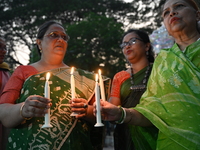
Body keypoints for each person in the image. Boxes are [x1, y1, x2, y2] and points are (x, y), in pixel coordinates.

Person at [94, 0, 200, 149]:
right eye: (166, 13)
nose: (172, 13)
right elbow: (150, 112)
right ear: (165, 26)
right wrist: (118, 113)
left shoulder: (154, 66)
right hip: (167, 143)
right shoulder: (163, 63)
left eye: (179, 6)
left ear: (197, 15)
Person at [0, 20, 110, 150]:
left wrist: (86, 111)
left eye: (64, 37)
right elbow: (4, 113)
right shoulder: (23, 72)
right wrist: (23, 109)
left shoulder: (82, 78)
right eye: (53, 35)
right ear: (39, 42)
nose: (60, 39)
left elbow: (100, 115)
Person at [109, 29, 155, 150]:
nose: (127, 46)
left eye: (133, 41)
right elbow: (113, 108)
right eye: (124, 44)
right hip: (126, 134)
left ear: (147, 46)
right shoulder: (120, 77)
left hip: (154, 130)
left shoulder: (159, 70)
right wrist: (105, 110)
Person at [0, 38, 11, 150]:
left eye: (4, 48)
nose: (3, 51)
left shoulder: (6, 72)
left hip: (4, 121)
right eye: (0, 47)